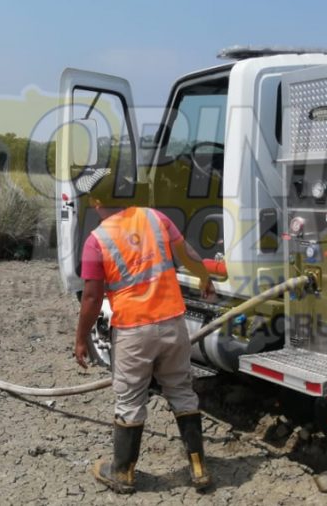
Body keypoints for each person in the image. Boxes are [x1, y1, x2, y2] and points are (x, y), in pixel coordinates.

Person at [73, 171, 217, 494]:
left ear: (96, 202)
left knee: (129, 400)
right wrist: (205, 278)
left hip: (133, 332)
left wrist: (81, 338)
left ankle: (123, 473)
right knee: (181, 390)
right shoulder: (155, 218)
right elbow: (189, 254)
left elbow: (93, 298)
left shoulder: (96, 241)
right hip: (172, 324)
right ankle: (199, 467)